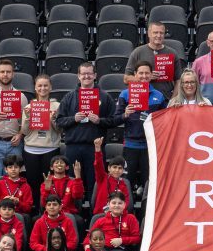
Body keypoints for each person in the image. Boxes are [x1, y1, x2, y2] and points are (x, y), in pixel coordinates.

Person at [54, 61, 118, 194]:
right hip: (73, 147)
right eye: (83, 74)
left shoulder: (105, 97)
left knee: (95, 183)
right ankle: (74, 213)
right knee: (73, 183)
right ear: (78, 76)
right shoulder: (69, 97)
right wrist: (74, 119)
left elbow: (114, 121)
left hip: (95, 148)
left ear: (95, 75)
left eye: (89, 74)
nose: (86, 77)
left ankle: (93, 213)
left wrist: (99, 121)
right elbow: (59, 121)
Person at [117, 60, 168, 192]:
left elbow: (165, 122)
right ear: (135, 74)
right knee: (126, 185)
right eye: (141, 73)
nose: (144, 76)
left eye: (147, 73)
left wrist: (152, 118)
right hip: (130, 145)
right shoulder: (125, 94)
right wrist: (125, 114)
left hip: (150, 146)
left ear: (151, 75)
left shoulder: (159, 96)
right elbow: (114, 120)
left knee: (149, 186)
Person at [19, 74, 63, 204]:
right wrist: (27, 119)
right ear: (35, 88)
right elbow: (25, 132)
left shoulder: (57, 106)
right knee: (33, 183)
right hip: (31, 150)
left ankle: (46, 209)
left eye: (45, 86)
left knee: (49, 183)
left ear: (50, 88)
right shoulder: (28, 107)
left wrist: (53, 120)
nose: (42, 88)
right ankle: (34, 213)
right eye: (40, 85)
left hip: (50, 149)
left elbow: (60, 130)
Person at [126, 20, 185, 99]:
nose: (159, 35)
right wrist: (145, 77)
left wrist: (173, 100)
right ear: (149, 34)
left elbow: (178, 80)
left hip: (165, 100)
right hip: (143, 99)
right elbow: (126, 79)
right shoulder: (138, 52)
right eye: (155, 32)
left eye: (161, 33)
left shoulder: (172, 53)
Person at [91, 137, 133, 216]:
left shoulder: (123, 184)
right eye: (114, 167)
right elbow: (98, 165)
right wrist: (97, 149)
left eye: (120, 168)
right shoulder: (102, 178)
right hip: (101, 215)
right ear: (109, 168)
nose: (117, 170)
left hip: (118, 214)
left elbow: (126, 202)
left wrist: (117, 211)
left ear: (123, 170)